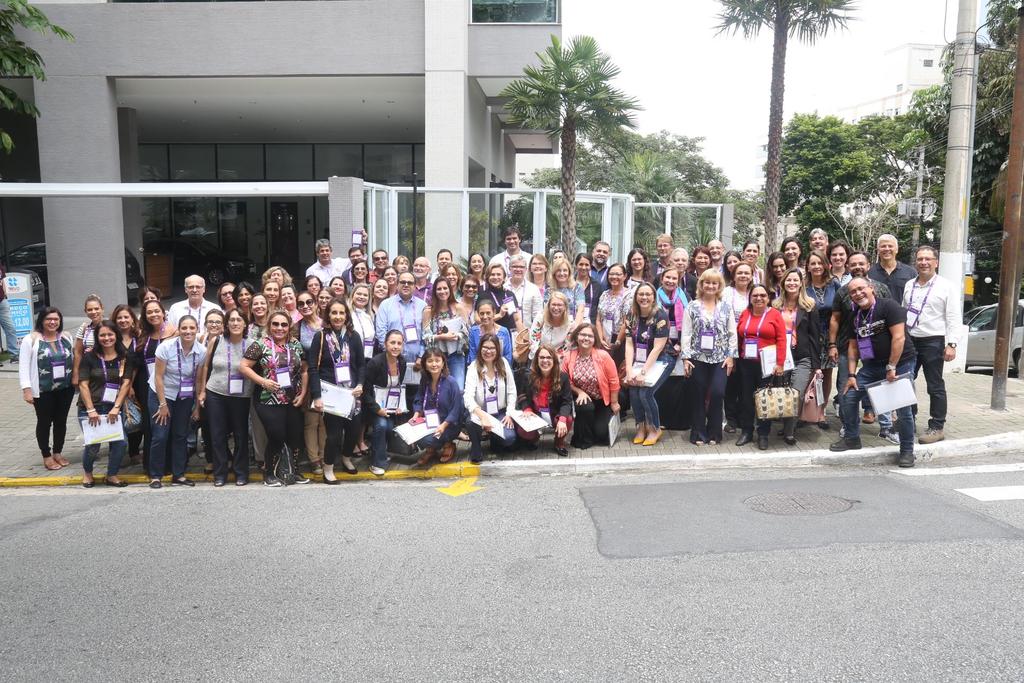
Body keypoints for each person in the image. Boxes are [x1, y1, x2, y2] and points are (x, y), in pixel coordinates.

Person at [830, 277, 918, 466]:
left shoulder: (889, 307)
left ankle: (907, 451)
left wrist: (892, 367)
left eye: (861, 289)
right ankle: (852, 438)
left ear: (871, 288)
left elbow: (899, 338)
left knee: (903, 408)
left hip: (900, 363)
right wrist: (852, 375)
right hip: (872, 366)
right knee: (849, 396)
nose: (858, 294)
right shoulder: (856, 316)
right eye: (853, 292)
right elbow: (853, 348)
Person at [828, 251, 895, 437]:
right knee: (845, 384)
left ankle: (886, 426)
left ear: (868, 265)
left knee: (881, 385)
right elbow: (835, 318)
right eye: (853, 264)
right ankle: (847, 424)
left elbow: (890, 317)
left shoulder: (880, 288)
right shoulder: (843, 291)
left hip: (876, 347)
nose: (857, 267)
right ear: (848, 267)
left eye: (861, 264)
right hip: (846, 345)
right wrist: (831, 344)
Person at [240, 310, 309, 487]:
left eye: (284, 324)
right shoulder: (260, 344)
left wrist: (302, 394)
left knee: (294, 436)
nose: (280, 328)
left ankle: (293, 471)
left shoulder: (295, 345)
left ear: (289, 327)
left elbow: (304, 369)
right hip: (267, 399)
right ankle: (269, 473)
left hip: (292, 399)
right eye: (276, 324)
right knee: (276, 435)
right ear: (270, 326)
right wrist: (263, 381)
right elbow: (244, 366)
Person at [903, 245, 960, 445]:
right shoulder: (910, 284)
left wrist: (952, 344)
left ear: (936, 262)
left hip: (933, 341)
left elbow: (953, 317)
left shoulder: (946, 286)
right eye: (920, 259)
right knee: (905, 380)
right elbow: (905, 311)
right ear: (916, 262)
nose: (924, 262)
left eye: (928, 259)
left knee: (934, 385)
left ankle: (937, 426)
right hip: (910, 339)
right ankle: (907, 418)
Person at [308, 297, 366, 482]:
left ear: (346, 315)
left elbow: (361, 365)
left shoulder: (353, 336)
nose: (338, 316)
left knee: (353, 430)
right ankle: (328, 467)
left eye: (341, 313)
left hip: (352, 394)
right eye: (334, 313)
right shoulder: (321, 337)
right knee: (333, 435)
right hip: (331, 394)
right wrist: (317, 396)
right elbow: (313, 368)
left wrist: (360, 384)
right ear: (328, 315)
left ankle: (346, 457)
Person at [148, 315, 207, 488]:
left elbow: (197, 380)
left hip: (184, 395)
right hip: (161, 393)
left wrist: (196, 406)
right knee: (160, 435)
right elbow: (158, 377)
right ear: (179, 330)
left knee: (180, 435)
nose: (188, 331)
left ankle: (178, 475)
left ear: (197, 329)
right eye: (184, 328)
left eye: (191, 328)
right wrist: (163, 404)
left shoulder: (202, 351)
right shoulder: (166, 347)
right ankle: (156, 475)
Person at [680, 269, 737, 445]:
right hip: (698, 358)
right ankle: (698, 433)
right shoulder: (692, 306)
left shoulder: (726, 307)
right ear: (701, 284)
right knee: (698, 395)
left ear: (719, 286)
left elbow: (732, 333)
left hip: (720, 359)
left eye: (714, 283)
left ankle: (714, 432)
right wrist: (686, 357)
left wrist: (731, 356)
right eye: (707, 282)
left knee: (718, 393)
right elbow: (687, 333)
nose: (710, 286)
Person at [196, 308, 251, 486]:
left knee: (240, 434)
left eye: (239, 320)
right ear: (226, 324)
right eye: (232, 320)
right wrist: (203, 390)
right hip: (215, 393)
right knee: (217, 434)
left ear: (245, 323)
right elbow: (206, 367)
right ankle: (220, 474)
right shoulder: (216, 340)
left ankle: (241, 472)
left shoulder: (252, 344)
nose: (235, 323)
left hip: (241, 395)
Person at [77, 320, 135, 488]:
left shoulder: (125, 357)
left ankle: (112, 474)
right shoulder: (89, 357)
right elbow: (83, 384)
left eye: (110, 334)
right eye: (102, 335)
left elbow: (126, 383)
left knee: (120, 443)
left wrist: (117, 407)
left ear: (116, 335)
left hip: (113, 408)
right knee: (93, 445)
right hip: (90, 408)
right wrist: (91, 409)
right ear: (97, 337)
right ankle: (88, 473)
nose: (107, 338)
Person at [20, 307, 76, 471]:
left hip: (65, 388)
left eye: (56, 319)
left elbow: (72, 359)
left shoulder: (66, 337)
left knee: (61, 421)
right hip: (43, 390)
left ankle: (58, 452)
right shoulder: (30, 339)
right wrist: (26, 389)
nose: (52, 322)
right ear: (42, 321)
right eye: (48, 319)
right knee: (44, 422)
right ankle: (46, 455)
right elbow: (23, 366)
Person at [772, 268, 821, 444]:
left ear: (801, 283)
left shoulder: (810, 306)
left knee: (797, 393)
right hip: (781, 356)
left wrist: (817, 365)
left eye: (795, 280)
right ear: (783, 283)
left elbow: (815, 337)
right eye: (788, 280)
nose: (792, 283)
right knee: (784, 392)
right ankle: (786, 426)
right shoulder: (775, 306)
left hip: (802, 356)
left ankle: (790, 431)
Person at [735, 284, 787, 449]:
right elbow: (739, 336)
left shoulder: (775, 314)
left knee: (765, 399)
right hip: (746, 363)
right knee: (746, 399)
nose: (759, 298)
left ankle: (763, 434)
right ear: (750, 298)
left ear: (768, 297)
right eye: (755, 295)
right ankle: (747, 431)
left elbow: (781, 339)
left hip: (767, 365)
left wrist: (780, 363)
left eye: (762, 295)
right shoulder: (745, 313)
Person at [623, 283, 671, 446]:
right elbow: (629, 344)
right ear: (636, 297)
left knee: (645, 392)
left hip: (662, 358)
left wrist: (643, 373)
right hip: (640, 359)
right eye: (641, 294)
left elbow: (658, 348)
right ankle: (641, 426)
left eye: (648, 294)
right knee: (634, 390)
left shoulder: (661, 315)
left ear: (653, 297)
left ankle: (654, 428)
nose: (644, 297)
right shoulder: (630, 315)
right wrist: (629, 371)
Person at [563, 323, 620, 449]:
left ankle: (594, 425)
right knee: (585, 407)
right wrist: (579, 391)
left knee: (602, 434)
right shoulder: (568, 357)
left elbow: (614, 380)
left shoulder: (603, 356)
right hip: (582, 400)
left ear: (595, 340)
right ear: (577, 336)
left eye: (590, 336)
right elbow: (565, 381)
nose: (586, 338)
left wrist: (614, 402)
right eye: (583, 334)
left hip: (602, 400)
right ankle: (584, 438)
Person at [134, 300, 176, 471]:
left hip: (170, 382)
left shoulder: (175, 332)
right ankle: (152, 465)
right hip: (147, 384)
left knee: (169, 424)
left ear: (163, 312)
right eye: (149, 312)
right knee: (150, 425)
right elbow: (135, 361)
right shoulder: (143, 334)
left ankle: (170, 465)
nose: (153, 315)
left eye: (156, 311)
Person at [464, 333, 518, 464]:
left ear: (497, 350)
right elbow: (468, 397)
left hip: (500, 412)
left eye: (492, 348)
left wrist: (509, 413)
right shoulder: (473, 367)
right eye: (485, 347)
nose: (488, 351)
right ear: (480, 348)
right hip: (481, 412)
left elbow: (512, 391)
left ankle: (494, 438)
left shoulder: (503, 363)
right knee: (471, 422)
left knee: (509, 439)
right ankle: (476, 448)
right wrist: (482, 416)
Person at [515, 343, 573, 457]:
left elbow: (567, 401)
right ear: (537, 360)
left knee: (568, 420)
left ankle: (558, 442)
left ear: (554, 360)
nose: (545, 360)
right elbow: (522, 396)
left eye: (548, 357)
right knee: (522, 430)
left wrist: (562, 419)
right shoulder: (528, 376)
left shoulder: (563, 377)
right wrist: (527, 409)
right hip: (535, 413)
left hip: (553, 413)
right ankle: (535, 438)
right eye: (541, 357)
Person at [364, 330, 408, 476]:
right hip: (373, 407)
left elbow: (399, 387)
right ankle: (377, 463)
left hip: (391, 407)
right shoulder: (375, 363)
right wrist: (377, 409)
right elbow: (365, 392)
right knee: (382, 426)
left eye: (399, 343)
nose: (396, 346)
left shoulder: (402, 362)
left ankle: (378, 451)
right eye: (392, 343)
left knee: (389, 427)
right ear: (385, 344)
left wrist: (399, 407)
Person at [409, 347, 462, 467]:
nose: (434, 364)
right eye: (430, 361)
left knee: (428, 439)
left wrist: (443, 425)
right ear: (425, 364)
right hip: (430, 422)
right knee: (415, 435)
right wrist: (416, 414)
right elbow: (419, 398)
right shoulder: (425, 380)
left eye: (437, 360)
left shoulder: (451, 382)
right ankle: (432, 450)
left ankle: (448, 444)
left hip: (448, 425)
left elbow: (456, 409)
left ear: (443, 363)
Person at [805, 251, 840, 429]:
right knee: (809, 374)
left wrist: (834, 343)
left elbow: (840, 311)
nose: (817, 266)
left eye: (820, 263)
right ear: (808, 266)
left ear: (826, 265)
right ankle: (807, 411)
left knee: (825, 375)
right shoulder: (803, 285)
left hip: (828, 337)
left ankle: (821, 412)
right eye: (813, 263)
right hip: (809, 335)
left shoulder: (834, 284)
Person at [294, 290, 325, 474]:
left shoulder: (326, 323)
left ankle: (324, 454)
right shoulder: (296, 328)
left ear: (315, 303)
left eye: (309, 302)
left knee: (325, 420)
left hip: (328, 377)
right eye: (301, 304)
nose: (305, 306)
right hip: (307, 375)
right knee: (311, 420)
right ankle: (314, 459)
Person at [375, 271, 426, 382]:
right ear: (397, 284)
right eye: (403, 282)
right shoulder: (386, 305)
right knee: (393, 395)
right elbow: (381, 332)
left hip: (417, 364)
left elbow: (426, 334)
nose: (406, 285)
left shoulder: (423, 306)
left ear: (414, 286)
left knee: (415, 397)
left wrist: (422, 356)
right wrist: (392, 355)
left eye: (410, 283)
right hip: (391, 362)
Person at [721, 262, 753, 432]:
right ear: (733, 276)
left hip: (751, 344)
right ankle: (731, 420)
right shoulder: (726, 293)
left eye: (746, 273)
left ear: (751, 275)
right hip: (731, 342)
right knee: (731, 383)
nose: (743, 276)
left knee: (747, 382)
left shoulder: (755, 293)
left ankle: (745, 417)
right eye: (739, 272)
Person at [423, 277, 468, 388]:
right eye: (439, 289)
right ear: (434, 291)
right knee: (438, 388)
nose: (442, 291)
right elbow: (425, 337)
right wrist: (441, 337)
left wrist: (456, 336)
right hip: (436, 357)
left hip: (456, 356)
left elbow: (467, 333)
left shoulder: (459, 308)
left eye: (445, 288)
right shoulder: (428, 311)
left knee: (458, 388)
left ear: (450, 289)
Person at [595, 264, 630, 363]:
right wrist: (600, 339)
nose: (614, 277)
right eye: (611, 274)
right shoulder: (604, 294)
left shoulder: (629, 295)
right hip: (604, 336)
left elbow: (626, 322)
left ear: (625, 276)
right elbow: (598, 319)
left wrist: (617, 342)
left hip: (620, 339)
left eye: (618, 274)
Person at [868, 234, 917, 306]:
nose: (887, 249)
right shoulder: (869, 273)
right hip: (876, 316)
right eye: (883, 246)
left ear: (897, 250)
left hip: (902, 315)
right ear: (878, 250)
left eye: (890, 246)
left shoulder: (910, 273)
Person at [527, 291, 572, 362]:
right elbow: (533, 341)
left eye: (559, 305)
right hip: (538, 359)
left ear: (565, 307)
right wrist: (542, 357)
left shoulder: (570, 324)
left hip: (559, 361)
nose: (556, 308)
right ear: (548, 305)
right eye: (553, 304)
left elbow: (567, 347)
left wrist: (553, 359)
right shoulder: (541, 318)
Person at [480, 263, 524, 333]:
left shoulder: (509, 294)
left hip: (510, 335)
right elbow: (478, 320)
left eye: (498, 274)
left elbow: (517, 319)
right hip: (492, 336)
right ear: (488, 277)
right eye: (492, 274)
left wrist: (523, 337)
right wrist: (500, 315)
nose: (495, 277)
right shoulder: (483, 295)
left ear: (504, 278)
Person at [467, 299, 514, 366]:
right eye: (482, 313)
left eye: (488, 313)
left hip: (500, 369)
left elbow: (507, 356)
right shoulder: (474, 331)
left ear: (494, 312)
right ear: (478, 314)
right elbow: (473, 356)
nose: (485, 317)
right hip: (479, 369)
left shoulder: (503, 332)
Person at [72, 295, 104, 385]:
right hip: (88, 370)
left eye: (96, 308)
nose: (93, 312)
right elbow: (78, 352)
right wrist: (76, 374)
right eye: (89, 310)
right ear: (85, 311)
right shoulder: (84, 328)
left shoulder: (110, 326)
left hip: (106, 370)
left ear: (102, 308)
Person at [506, 255, 542, 329]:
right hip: (507, 333)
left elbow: (537, 316)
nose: (518, 269)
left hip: (527, 334)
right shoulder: (503, 287)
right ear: (509, 268)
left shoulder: (533, 289)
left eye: (521, 267)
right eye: (515, 266)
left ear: (526, 269)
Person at [350, 283, 377, 360]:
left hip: (367, 358)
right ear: (353, 295)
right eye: (359, 294)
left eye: (365, 295)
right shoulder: (347, 314)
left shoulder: (369, 316)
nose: (362, 297)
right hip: (352, 359)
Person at [574, 253, 603, 324]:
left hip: (590, 327)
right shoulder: (569, 283)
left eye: (587, 265)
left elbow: (599, 309)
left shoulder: (596, 286)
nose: (584, 267)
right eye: (581, 264)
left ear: (590, 266)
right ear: (576, 265)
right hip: (572, 325)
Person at [0, 262, 20, 365]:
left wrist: (5, 294)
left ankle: (14, 355)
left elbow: (2, 280)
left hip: (2, 302)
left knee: (11, 328)